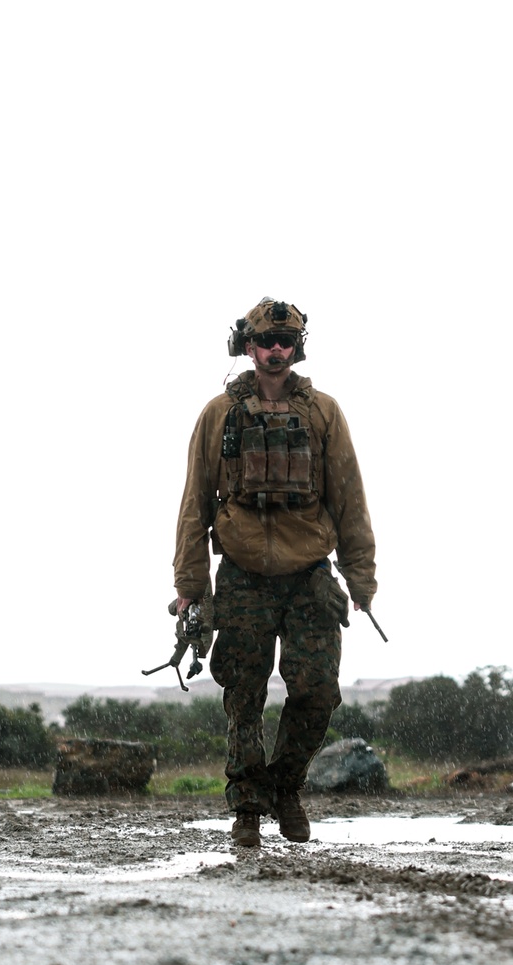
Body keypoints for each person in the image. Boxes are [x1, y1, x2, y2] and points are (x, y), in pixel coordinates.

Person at [173, 298, 378, 849]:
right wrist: (191, 588)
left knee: (316, 692)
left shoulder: (323, 413)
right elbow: (195, 503)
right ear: (248, 344)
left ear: (298, 347)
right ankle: (246, 807)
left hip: (310, 573)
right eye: (267, 340)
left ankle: (286, 787)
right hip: (241, 573)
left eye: (286, 341)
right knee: (243, 694)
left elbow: (349, 497)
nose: (276, 350)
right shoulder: (218, 414)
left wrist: (360, 577)